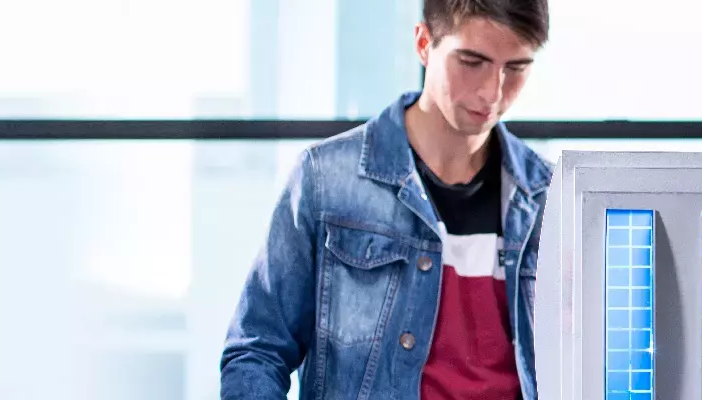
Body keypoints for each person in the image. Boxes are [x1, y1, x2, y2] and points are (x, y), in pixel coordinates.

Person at [219, 0, 552, 399]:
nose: (492, 91)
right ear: (424, 43)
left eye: (516, 68)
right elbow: (257, 349)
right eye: (471, 61)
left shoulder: (549, 199)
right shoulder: (326, 179)